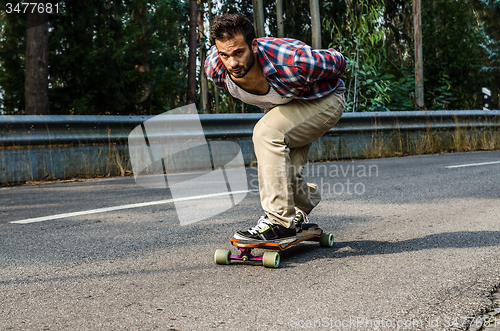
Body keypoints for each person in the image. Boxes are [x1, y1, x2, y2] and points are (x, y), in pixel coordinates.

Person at [205, 13, 346, 244]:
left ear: (254, 45)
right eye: (225, 55)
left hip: (324, 101)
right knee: (284, 173)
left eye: (239, 53)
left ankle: (279, 222)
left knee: (267, 132)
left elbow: (339, 61)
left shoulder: (292, 60)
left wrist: (312, 83)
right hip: (286, 105)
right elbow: (224, 62)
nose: (232, 63)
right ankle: (307, 201)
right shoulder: (216, 68)